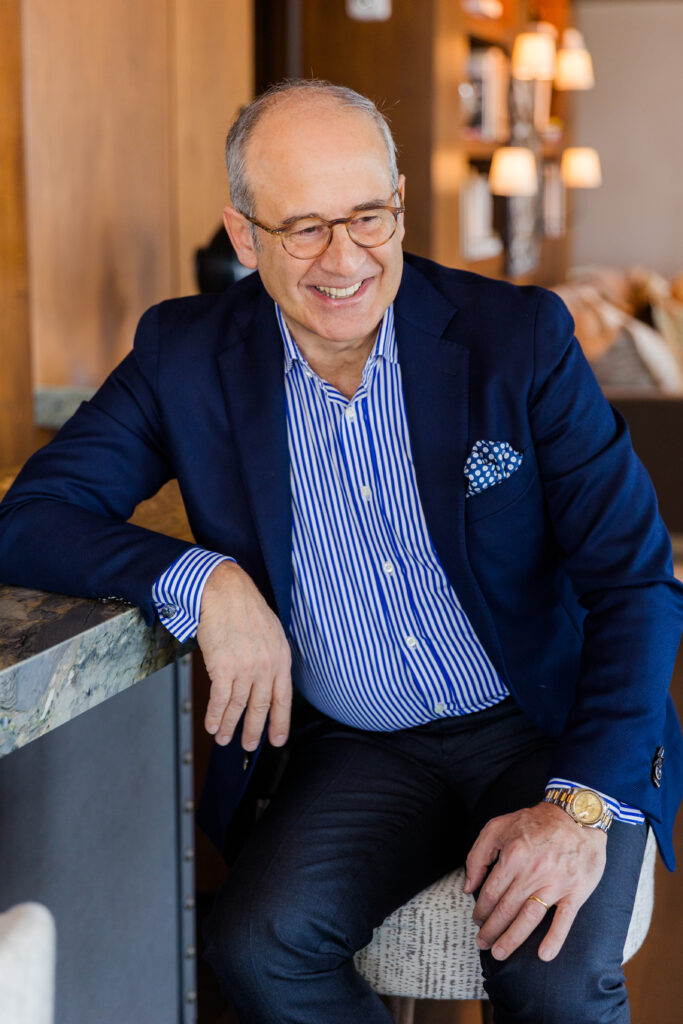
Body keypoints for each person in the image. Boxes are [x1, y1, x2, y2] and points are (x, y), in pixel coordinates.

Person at [0, 79, 681, 1023]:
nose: (344, 258)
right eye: (303, 228)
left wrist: (577, 806)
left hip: (542, 722)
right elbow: (33, 514)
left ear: (400, 202)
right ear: (243, 237)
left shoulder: (514, 339)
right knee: (255, 950)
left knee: (555, 978)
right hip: (363, 748)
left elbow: (635, 581)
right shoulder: (183, 354)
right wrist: (205, 580)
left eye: (368, 216)